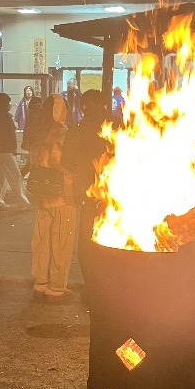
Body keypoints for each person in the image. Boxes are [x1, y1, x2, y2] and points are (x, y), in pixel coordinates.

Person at [61, 90, 109, 299]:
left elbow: (67, 161)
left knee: (89, 241)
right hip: (114, 194)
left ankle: (93, 287)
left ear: (83, 107)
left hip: (89, 193)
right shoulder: (117, 128)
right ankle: (108, 287)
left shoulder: (76, 130)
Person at [30, 94, 77, 301]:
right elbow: (58, 161)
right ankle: (57, 287)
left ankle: (40, 282)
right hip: (62, 194)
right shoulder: (61, 132)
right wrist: (73, 174)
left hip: (42, 193)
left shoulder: (38, 131)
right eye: (63, 108)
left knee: (41, 238)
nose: (65, 111)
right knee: (62, 240)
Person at [0, 92, 30, 210]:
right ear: (4, 105)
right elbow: (7, 136)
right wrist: (12, 148)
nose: (10, 105)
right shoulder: (4, 117)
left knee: (0, 177)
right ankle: (24, 202)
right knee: (15, 176)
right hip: (4, 151)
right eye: (8, 103)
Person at [20, 94, 42, 178]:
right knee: (32, 163)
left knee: (30, 163)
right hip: (35, 142)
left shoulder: (31, 113)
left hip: (33, 142)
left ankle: (20, 177)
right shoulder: (35, 114)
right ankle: (29, 179)